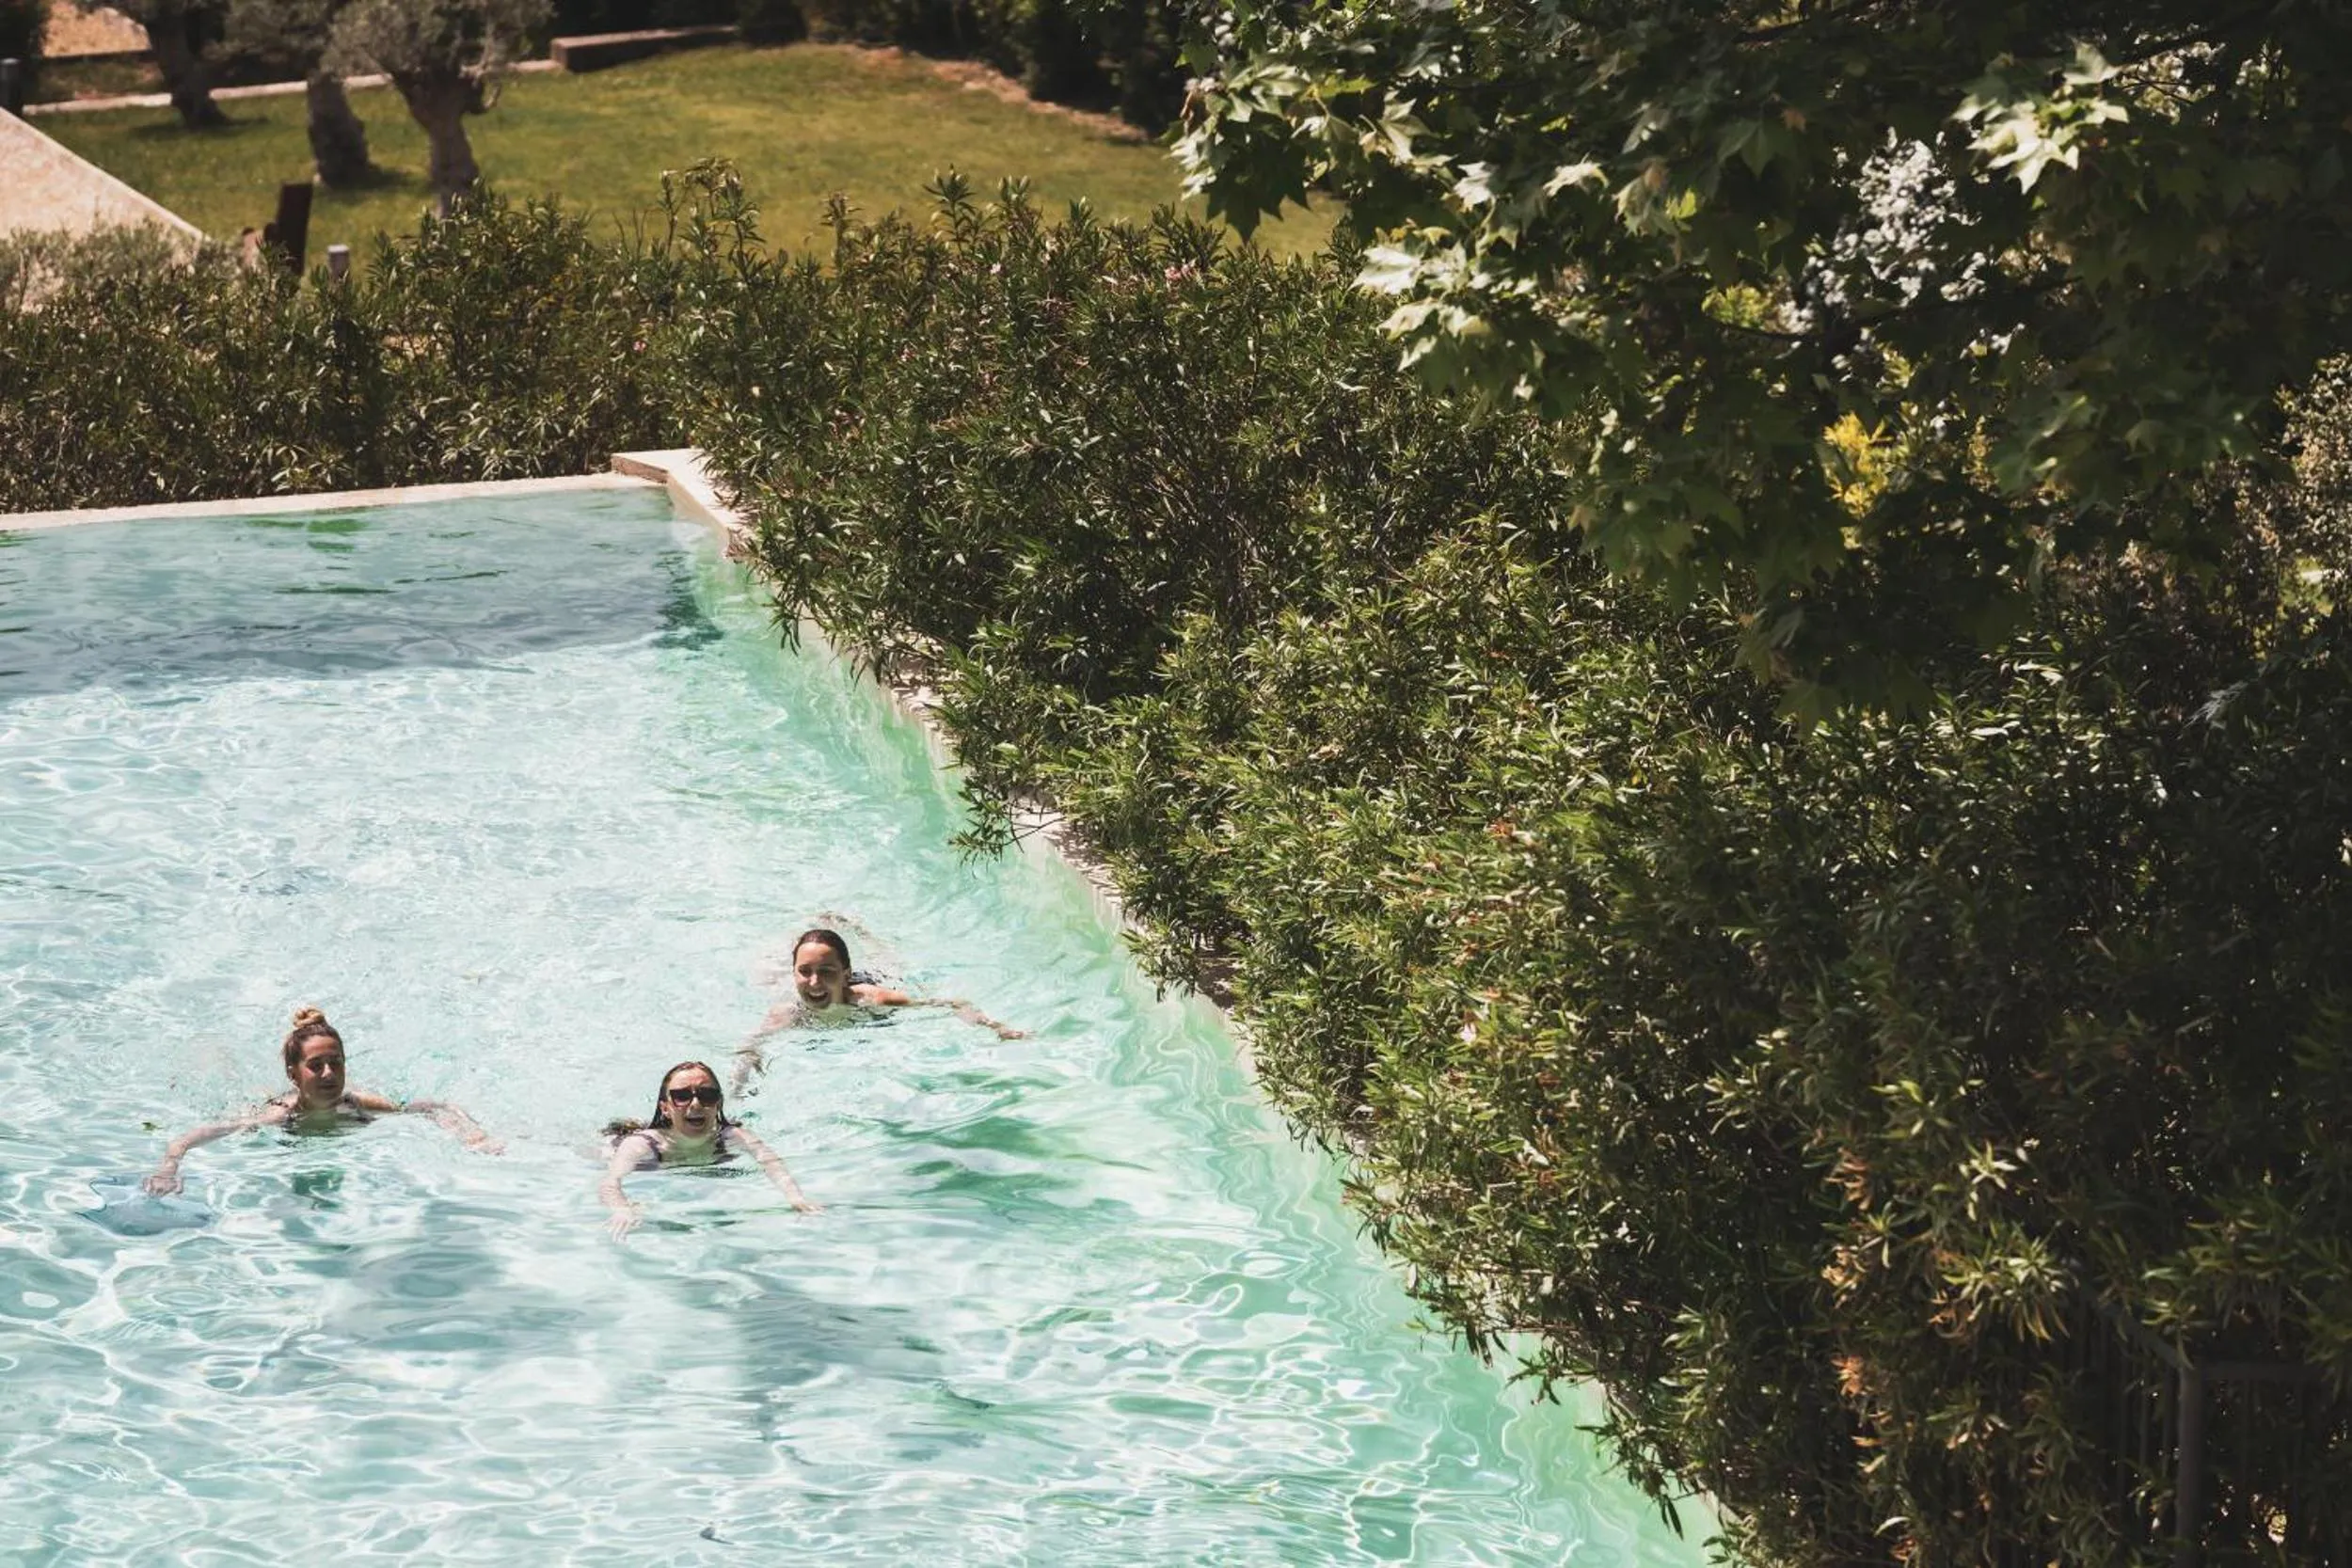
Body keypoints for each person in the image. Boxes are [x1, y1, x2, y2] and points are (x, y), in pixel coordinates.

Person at [143, 1006, 501, 1195]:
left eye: (336, 1063)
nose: (329, 1073)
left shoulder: (357, 1104)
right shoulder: (276, 1119)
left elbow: (432, 1107)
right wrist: (167, 1169)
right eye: (316, 1066)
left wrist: (473, 1136)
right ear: (294, 1074)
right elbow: (186, 1140)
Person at [730, 926, 1025, 1092]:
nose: (815, 982)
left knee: (891, 965)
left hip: (875, 978)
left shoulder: (876, 1000)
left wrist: (997, 1028)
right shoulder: (787, 1013)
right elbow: (749, 1048)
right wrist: (740, 1086)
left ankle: (856, 928)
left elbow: (953, 1003)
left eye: (827, 972)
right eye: (804, 972)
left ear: (845, 974)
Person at [599, 1060, 818, 1239]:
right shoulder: (642, 1144)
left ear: (718, 1104)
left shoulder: (732, 1136)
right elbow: (610, 1182)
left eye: (707, 1096)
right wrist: (622, 1209)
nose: (695, 1104)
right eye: (682, 1096)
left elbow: (771, 1163)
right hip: (613, 1147)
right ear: (665, 1108)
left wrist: (795, 1197)